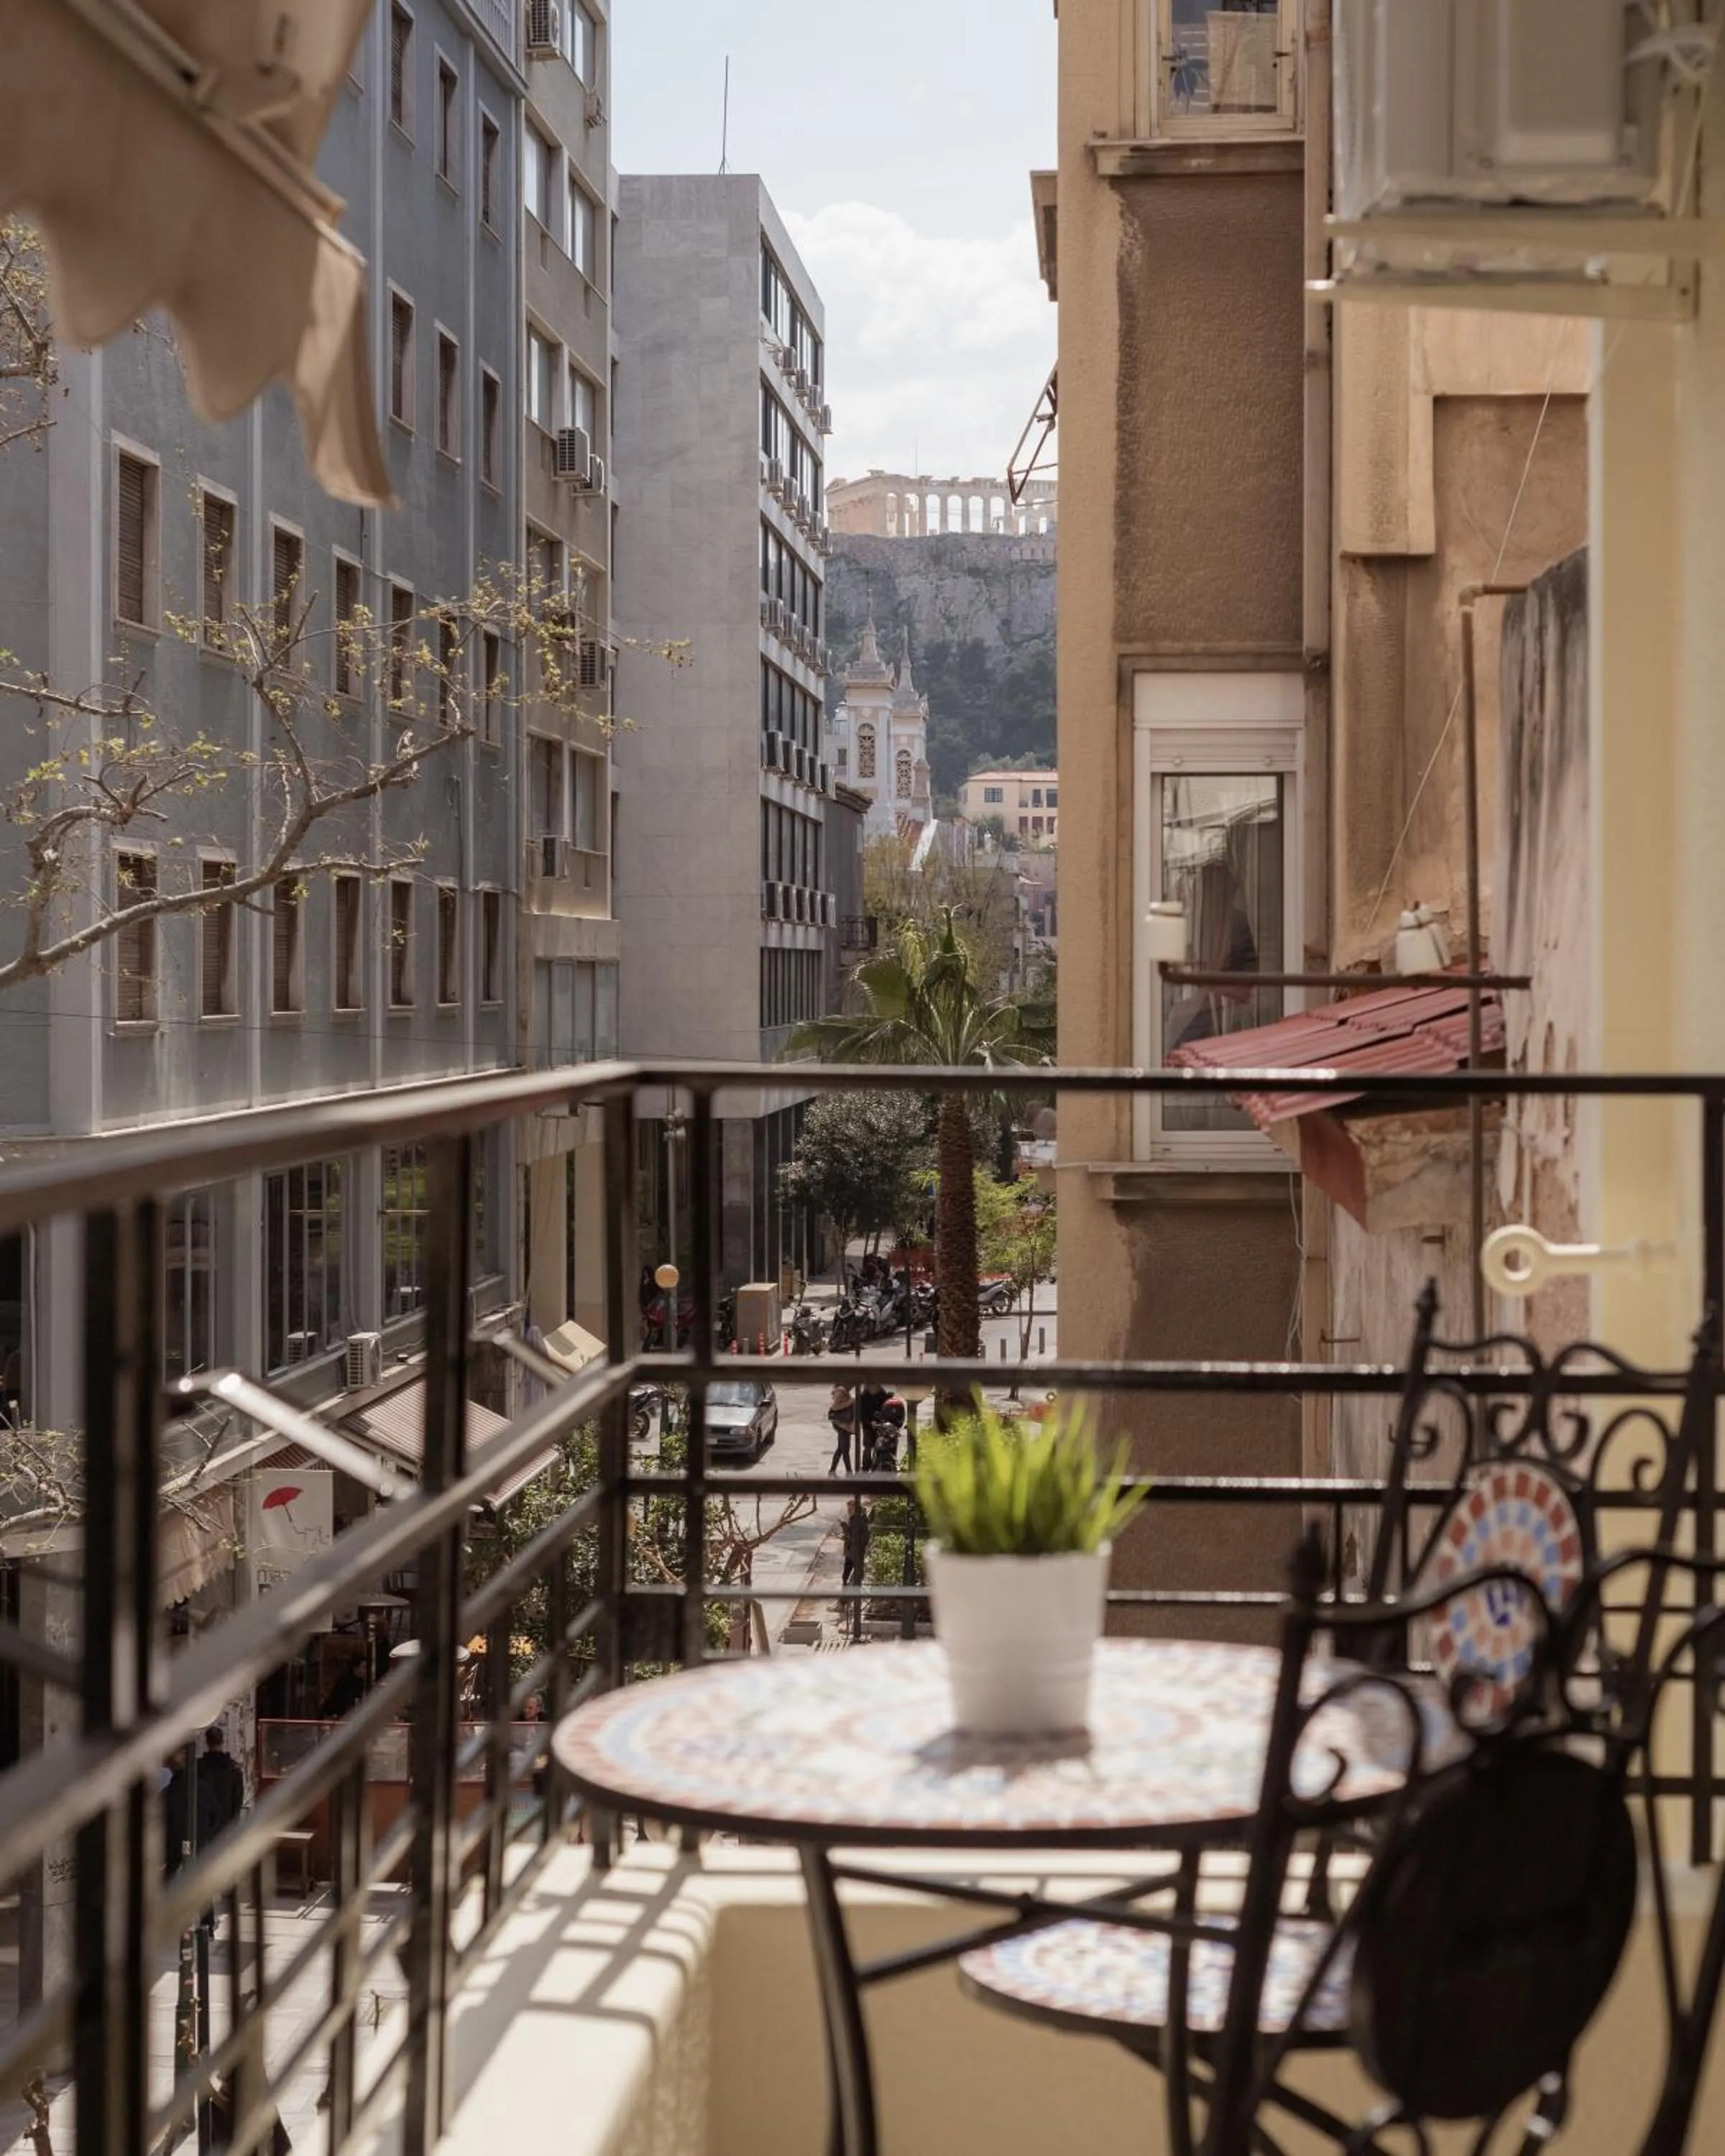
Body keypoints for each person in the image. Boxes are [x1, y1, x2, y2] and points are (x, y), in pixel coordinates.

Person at [827, 1384, 856, 1475]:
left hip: (842, 1424)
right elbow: (835, 1407)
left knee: (841, 1448)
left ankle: (833, 1469)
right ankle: (849, 1471)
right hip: (842, 1424)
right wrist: (851, 1401)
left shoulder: (843, 1391)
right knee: (845, 1449)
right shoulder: (840, 1391)